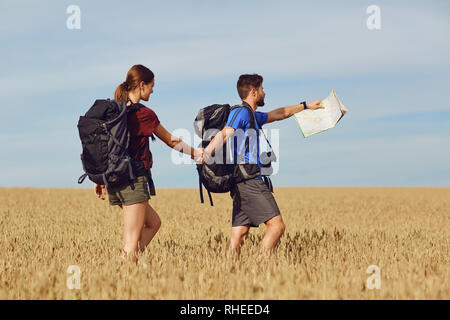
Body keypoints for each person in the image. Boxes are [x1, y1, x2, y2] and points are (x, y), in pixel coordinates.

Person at [202, 74, 324, 258]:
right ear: (253, 91)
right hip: (249, 180)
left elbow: (278, 114)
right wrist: (207, 152)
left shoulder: (251, 115)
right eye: (262, 90)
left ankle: (227, 270)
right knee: (277, 226)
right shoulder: (240, 112)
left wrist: (305, 106)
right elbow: (225, 133)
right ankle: (259, 266)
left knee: (239, 233)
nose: (264, 93)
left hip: (242, 182)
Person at [94, 64, 202, 263]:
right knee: (131, 241)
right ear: (142, 85)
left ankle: (124, 263)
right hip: (133, 180)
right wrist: (196, 153)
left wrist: (100, 179)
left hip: (114, 180)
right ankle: (123, 270)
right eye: (151, 86)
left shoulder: (115, 110)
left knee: (153, 223)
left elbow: (104, 147)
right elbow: (171, 140)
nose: (153, 90)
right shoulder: (143, 114)